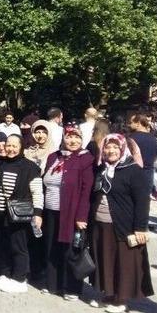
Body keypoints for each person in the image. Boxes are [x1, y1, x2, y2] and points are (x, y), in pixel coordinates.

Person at [91, 133, 153, 313]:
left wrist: (140, 227)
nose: (111, 151)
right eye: (107, 147)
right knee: (106, 259)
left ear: (123, 149)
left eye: (115, 147)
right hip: (101, 221)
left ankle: (121, 299)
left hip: (124, 225)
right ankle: (109, 293)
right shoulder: (102, 168)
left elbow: (143, 202)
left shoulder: (134, 170)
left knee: (123, 262)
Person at [41, 124, 94, 299]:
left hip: (71, 212)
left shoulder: (85, 159)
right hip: (50, 210)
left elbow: (87, 191)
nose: (73, 141)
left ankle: (71, 288)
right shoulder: (53, 157)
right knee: (51, 247)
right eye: (69, 136)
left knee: (70, 250)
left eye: (77, 137)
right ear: (63, 138)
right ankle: (52, 284)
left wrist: (81, 216)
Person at [0, 134, 43, 293]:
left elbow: (37, 193)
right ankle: (5, 274)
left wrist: (38, 213)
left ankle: (19, 279)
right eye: (8, 146)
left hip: (18, 217)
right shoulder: (3, 164)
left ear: (21, 147)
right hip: (0, 215)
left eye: (14, 146)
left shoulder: (30, 167)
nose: (10, 149)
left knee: (18, 246)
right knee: (2, 245)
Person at [127, 112, 157, 196]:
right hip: (147, 177)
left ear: (138, 123)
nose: (129, 125)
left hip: (131, 175)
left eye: (131, 122)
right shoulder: (155, 140)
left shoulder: (130, 138)